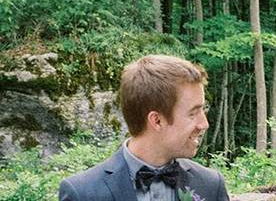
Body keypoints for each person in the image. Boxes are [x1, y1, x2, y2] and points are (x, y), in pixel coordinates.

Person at [59, 54, 230, 201]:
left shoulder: (211, 185)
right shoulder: (82, 194)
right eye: (193, 113)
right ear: (157, 121)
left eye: (203, 109)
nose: (204, 124)